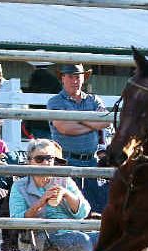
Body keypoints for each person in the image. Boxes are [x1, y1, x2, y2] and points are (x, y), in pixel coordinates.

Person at [8, 139, 97, 251]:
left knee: (111, 238)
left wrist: (66, 193)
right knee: (79, 240)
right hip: (42, 237)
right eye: (39, 159)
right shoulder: (19, 186)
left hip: (73, 232)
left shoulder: (64, 180)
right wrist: (41, 202)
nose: (45, 163)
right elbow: (17, 222)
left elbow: (84, 212)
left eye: (49, 159)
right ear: (29, 161)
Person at [47, 63, 110, 214]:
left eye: (78, 77)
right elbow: (65, 128)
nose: (75, 80)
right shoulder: (55, 101)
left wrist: (77, 119)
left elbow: (106, 121)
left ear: (83, 79)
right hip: (66, 162)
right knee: (69, 208)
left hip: (91, 161)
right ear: (63, 78)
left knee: (97, 207)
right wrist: (92, 122)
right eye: (70, 76)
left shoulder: (94, 100)